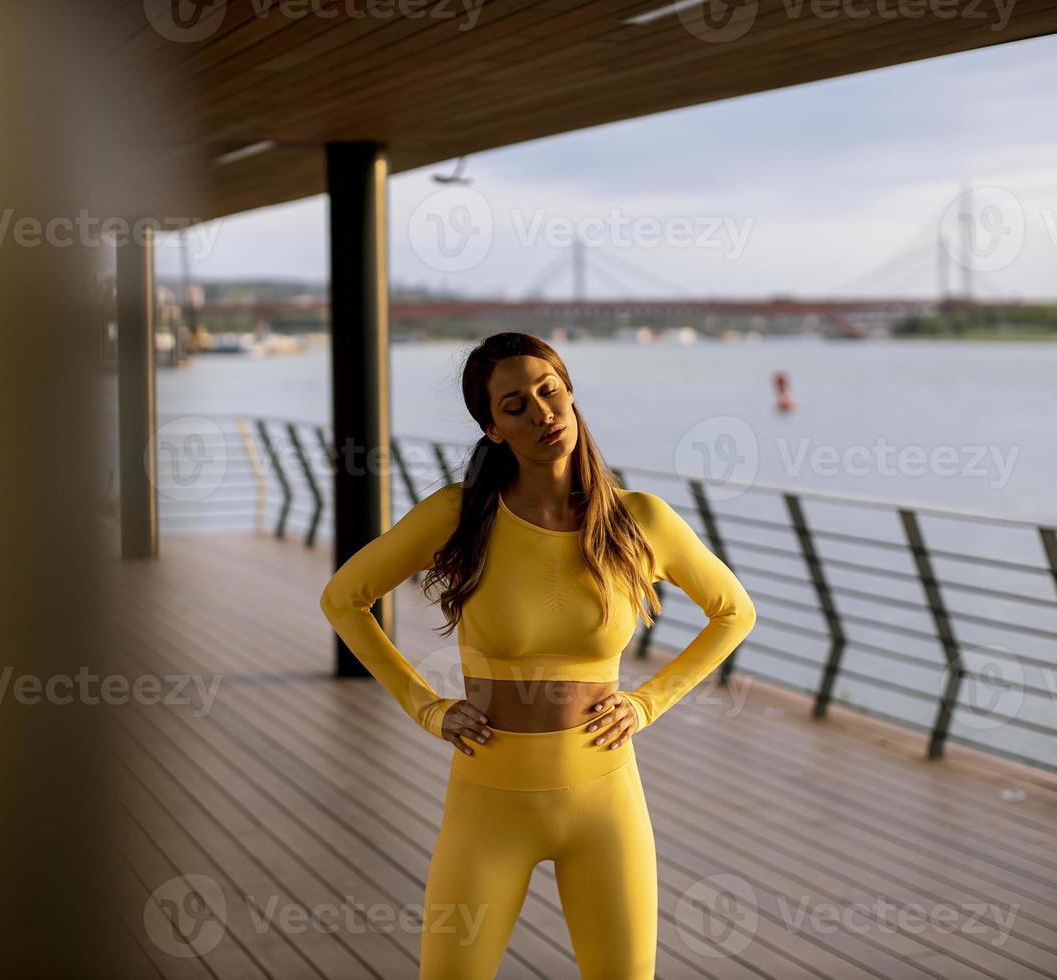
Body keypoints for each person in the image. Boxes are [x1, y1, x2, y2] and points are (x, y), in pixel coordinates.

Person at [318, 332, 757, 979]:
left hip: (605, 800)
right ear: (493, 428)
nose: (542, 414)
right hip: (488, 804)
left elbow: (734, 612)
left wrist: (647, 701)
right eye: (516, 405)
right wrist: (427, 708)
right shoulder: (459, 515)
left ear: (571, 394)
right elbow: (343, 598)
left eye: (549, 392)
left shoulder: (640, 521)